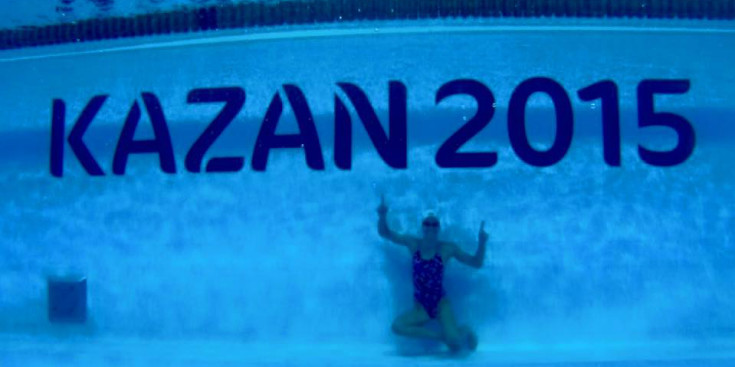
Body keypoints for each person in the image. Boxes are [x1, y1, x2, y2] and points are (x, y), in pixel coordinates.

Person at [377, 195, 486, 353]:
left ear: (438, 228)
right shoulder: (413, 244)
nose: (430, 227)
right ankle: (440, 337)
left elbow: (476, 263)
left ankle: (465, 330)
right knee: (397, 327)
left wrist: (482, 242)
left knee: (455, 343)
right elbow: (385, 233)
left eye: (434, 224)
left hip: (441, 304)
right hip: (421, 307)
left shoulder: (447, 248)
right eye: (427, 223)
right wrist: (382, 215)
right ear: (423, 227)